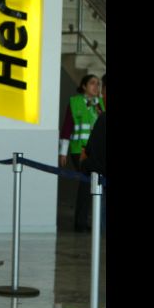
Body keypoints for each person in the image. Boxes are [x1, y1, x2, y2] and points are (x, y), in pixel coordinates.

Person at [59, 74, 105, 232]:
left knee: (88, 185)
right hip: (79, 150)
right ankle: (81, 223)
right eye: (92, 83)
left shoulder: (100, 104)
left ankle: (87, 222)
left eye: (98, 84)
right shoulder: (75, 102)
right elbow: (67, 128)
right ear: (84, 86)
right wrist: (63, 153)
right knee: (87, 184)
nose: (96, 87)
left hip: (95, 151)